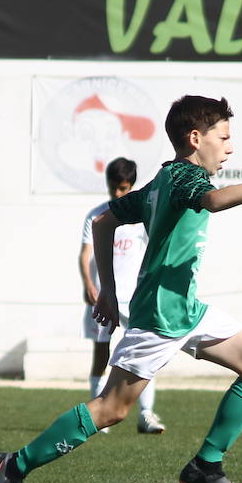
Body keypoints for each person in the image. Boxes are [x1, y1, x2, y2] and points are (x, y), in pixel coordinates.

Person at [0, 95, 242, 483]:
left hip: (185, 307)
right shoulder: (185, 176)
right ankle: (12, 466)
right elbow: (215, 201)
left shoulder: (163, 178)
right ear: (194, 138)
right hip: (161, 316)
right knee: (111, 410)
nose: (229, 147)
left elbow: (103, 222)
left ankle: (206, 466)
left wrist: (109, 291)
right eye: (223, 137)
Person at [79, 156, 165, 435]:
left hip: (135, 297)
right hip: (105, 296)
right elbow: (85, 254)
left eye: (124, 189)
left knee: (144, 353)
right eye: (114, 188)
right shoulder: (97, 215)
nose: (118, 194)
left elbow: (154, 252)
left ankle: (146, 414)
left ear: (132, 186)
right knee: (101, 351)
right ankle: (96, 412)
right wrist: (89, 283)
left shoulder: (141, 218)